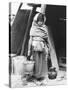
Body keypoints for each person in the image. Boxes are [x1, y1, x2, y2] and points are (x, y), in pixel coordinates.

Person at [27, 13, 50, 82]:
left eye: (42, 20)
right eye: (39, 20)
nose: (40, 22)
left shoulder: (44, 27)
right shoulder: (33, 27)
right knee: (36, 62)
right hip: (34, 47)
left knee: (42, 62)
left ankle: (40, 76)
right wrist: (29, 50)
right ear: (36, 20)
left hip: (42, 47)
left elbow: (47, 39)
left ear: (44, 21)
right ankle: (35, 76)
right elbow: (30, 39)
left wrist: (48, 48)